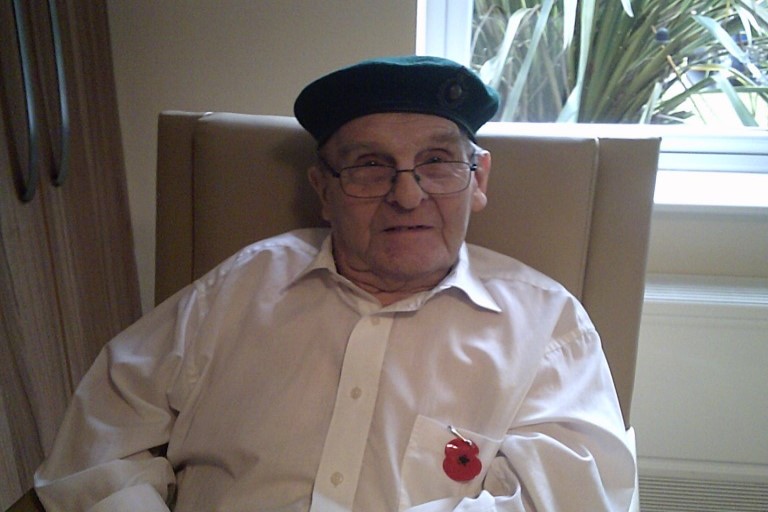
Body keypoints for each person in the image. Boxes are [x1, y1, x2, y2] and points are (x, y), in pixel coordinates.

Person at [34, 56, 635, 511]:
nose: (407, 195)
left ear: (477, 179)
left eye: (437, 162)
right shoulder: (237, 289)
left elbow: (574, 497)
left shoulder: (546, 324)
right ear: (323, 189)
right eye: (370, 165)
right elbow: (101, 448)